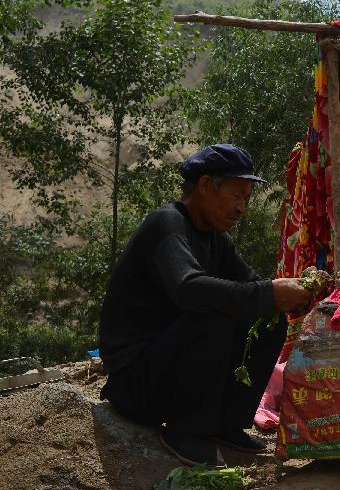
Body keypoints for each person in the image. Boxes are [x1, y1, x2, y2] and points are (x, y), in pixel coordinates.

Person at [98, 144, 312, 468]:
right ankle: (188, 431)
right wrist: (268, 293)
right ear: (204, 187)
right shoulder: (166, 225)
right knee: (213, 313)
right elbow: (188, 289)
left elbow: (252, 284)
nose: (242, 208)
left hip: (169, 371)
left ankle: (225, 423)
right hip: (135, 384)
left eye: (247, 199)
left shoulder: (216, 238)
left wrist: (300, 290)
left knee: (267, 320)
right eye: (236, 195)